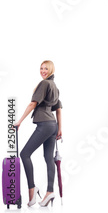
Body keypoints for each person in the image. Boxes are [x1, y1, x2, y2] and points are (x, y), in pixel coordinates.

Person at [14, 61, 63, 207]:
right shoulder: (55, 86)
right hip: (53, 125)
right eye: (41, 68)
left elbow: (32, 104)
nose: (42, 71)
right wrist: (60, 128)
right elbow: (58, 109)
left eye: (46, 68)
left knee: (24, 154)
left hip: (44, 125)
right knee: (48, 158)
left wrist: (19, 121)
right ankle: (49, 192)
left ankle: (32, 189)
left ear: (51, 70)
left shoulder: (44, 84)